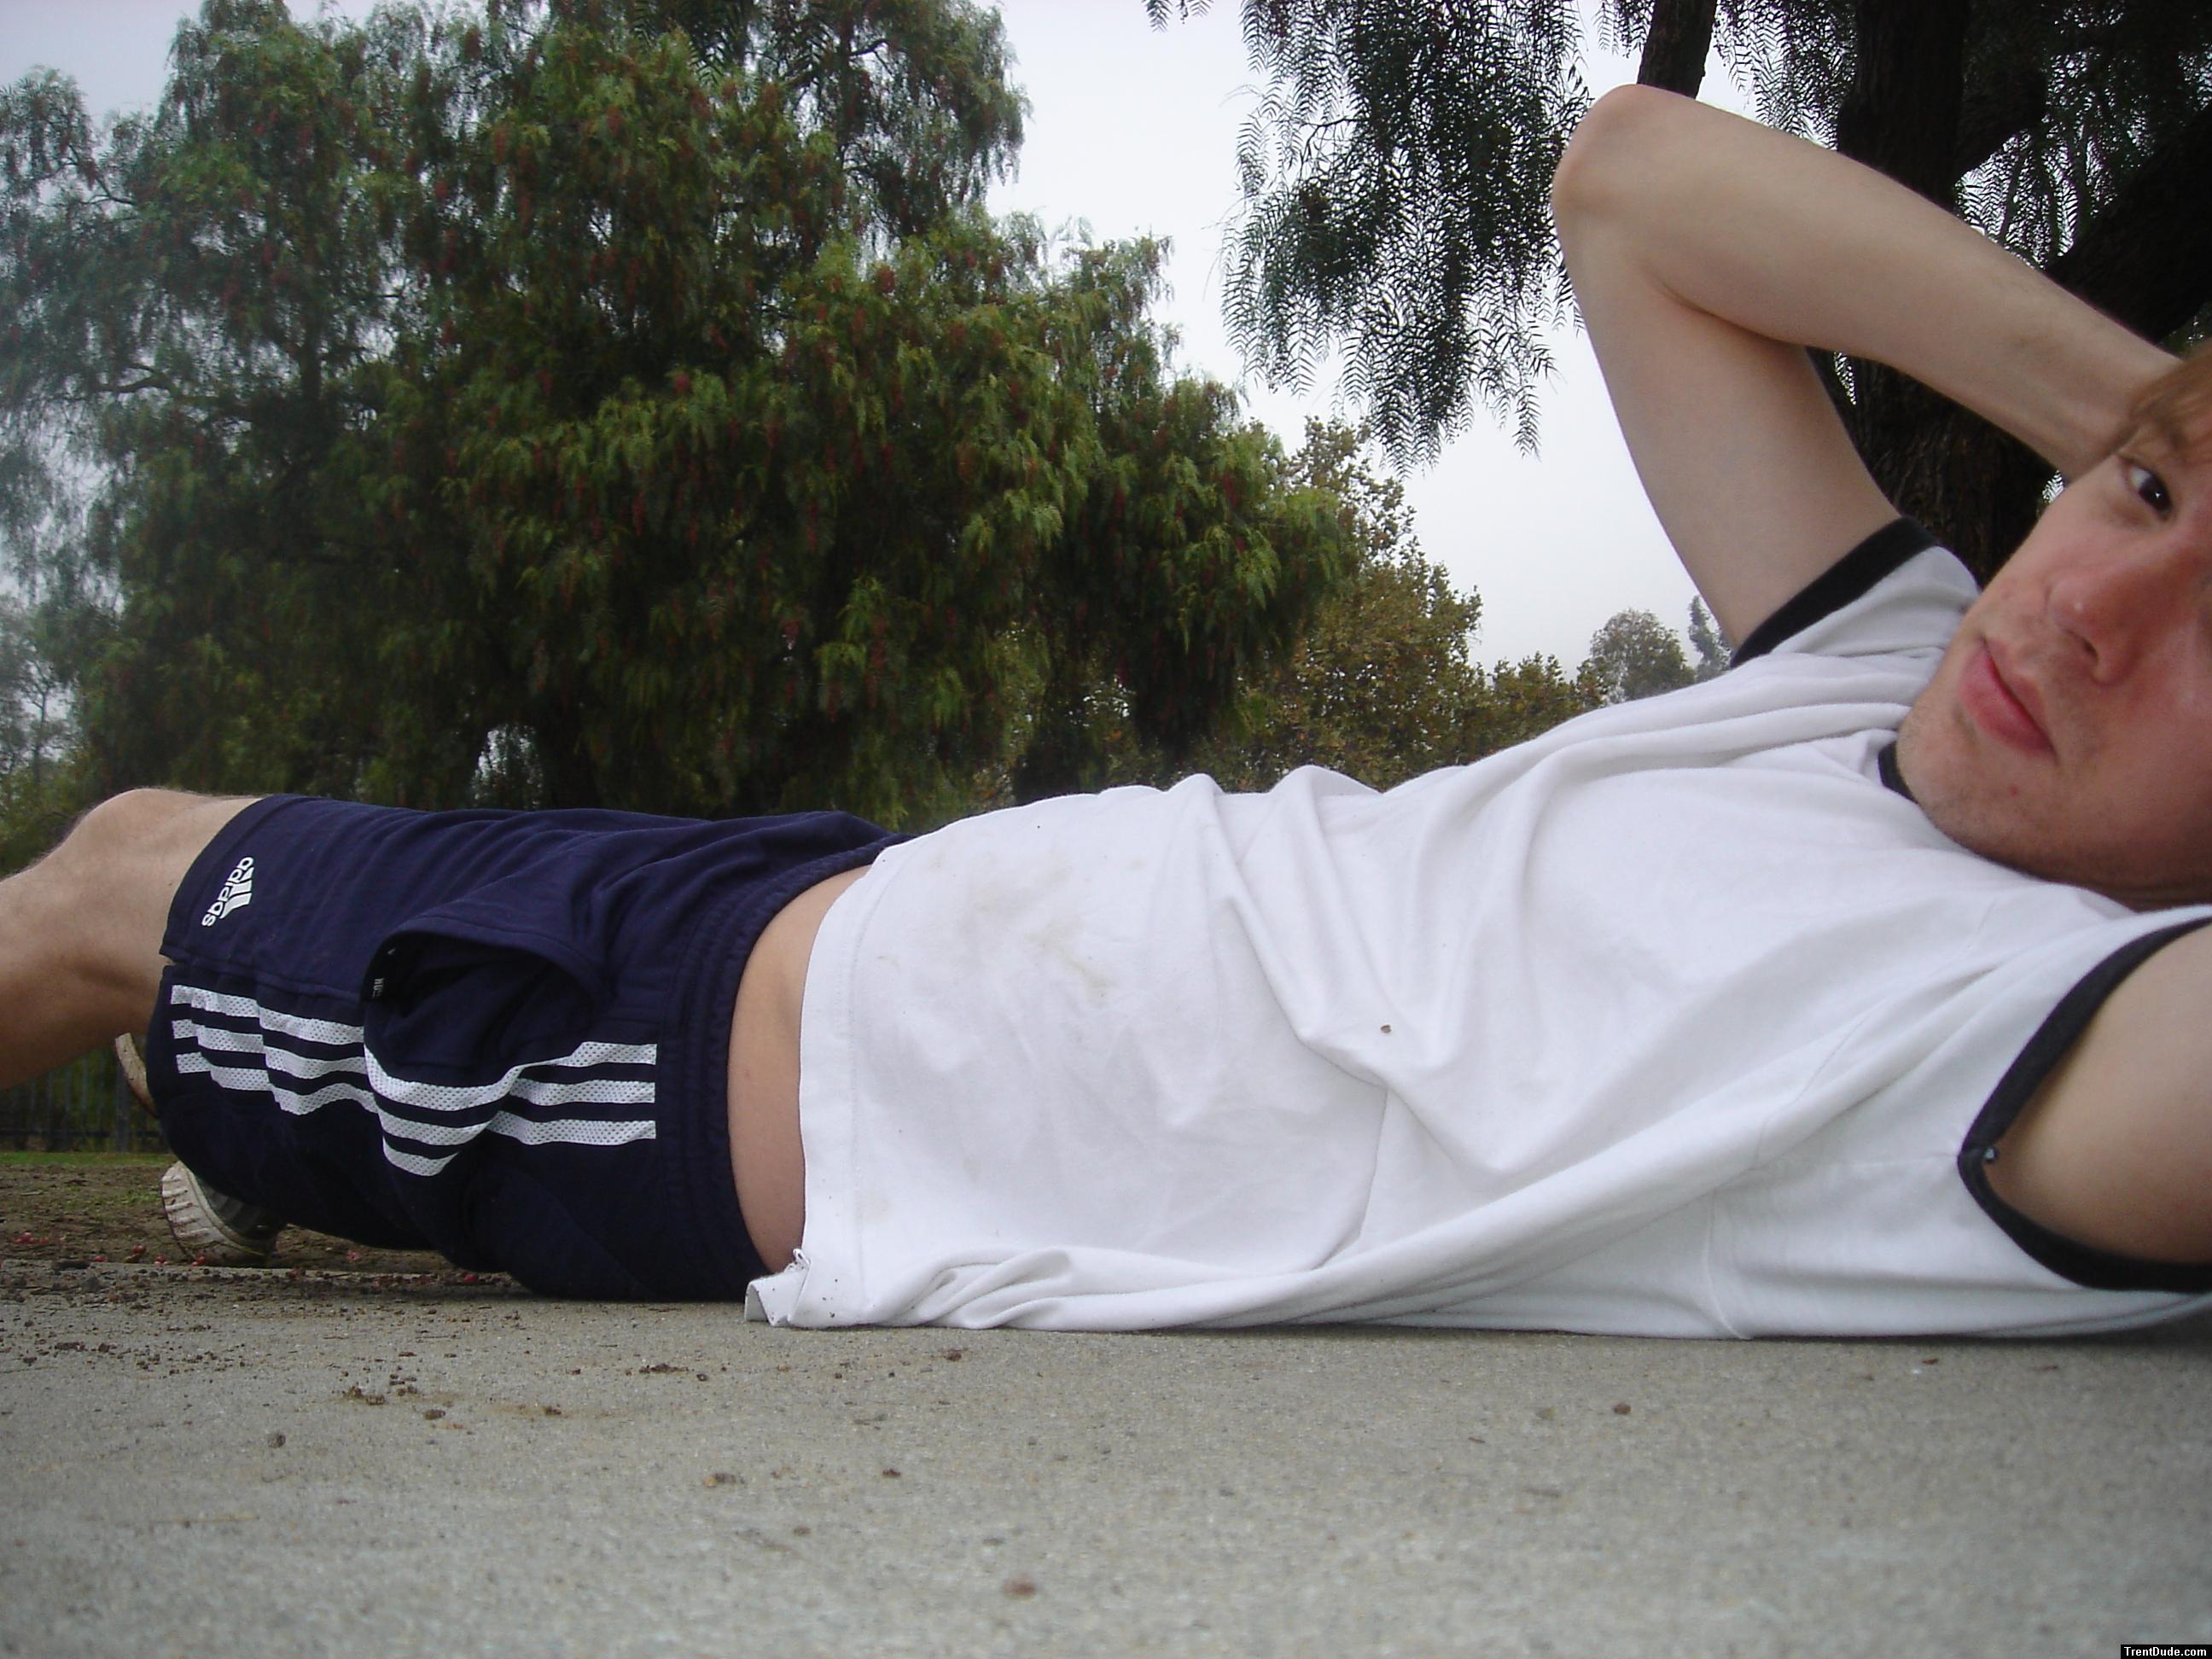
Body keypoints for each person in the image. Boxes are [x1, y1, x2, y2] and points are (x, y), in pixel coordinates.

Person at [9, 87, 2212, 1335]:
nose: (2098, 603)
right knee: (171, 849)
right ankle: (239, 1103)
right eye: (2133, 504)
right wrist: (2161, 407)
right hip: (862, 907)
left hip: (742, 1077)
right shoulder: (1861, 682)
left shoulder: (2074, 1025)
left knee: (123, 882)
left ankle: (225, 1072)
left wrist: (2175, 466)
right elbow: (1630, 180)